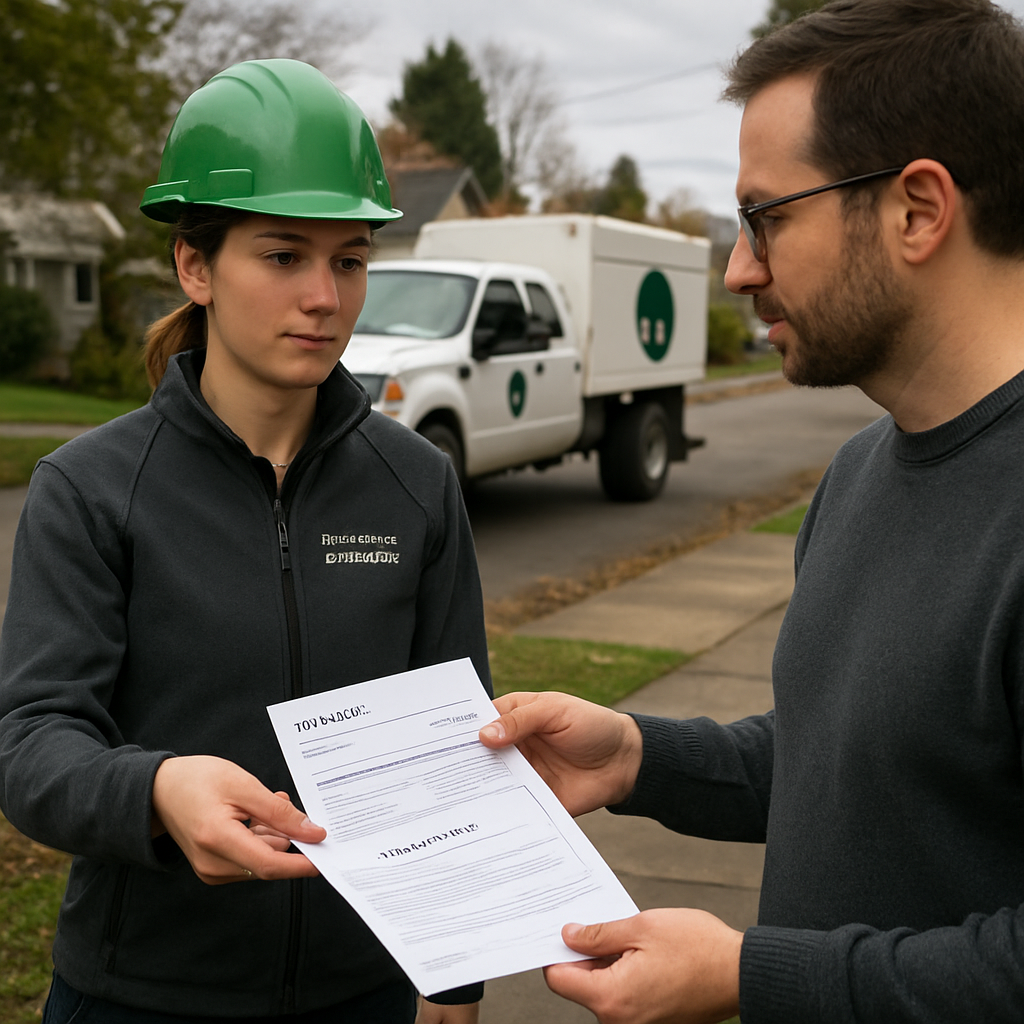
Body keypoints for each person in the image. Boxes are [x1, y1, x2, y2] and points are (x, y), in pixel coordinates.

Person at [480, 1, 1024, 1021]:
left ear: (917, 209)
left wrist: (745, 975)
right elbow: (850, 764)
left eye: (767, 217)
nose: (737, 270)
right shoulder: (859, 472)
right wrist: (640, 757)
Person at [0, 59, 486, 1023]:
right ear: (195, 266)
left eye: (348, 260)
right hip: (140, 994)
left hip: (363, 993)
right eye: (282, 256)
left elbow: (455, 748)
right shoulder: (90, 489)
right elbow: (30, 744)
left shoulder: (417, 482)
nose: (325, 297)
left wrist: (455, 978)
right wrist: (155, 790)